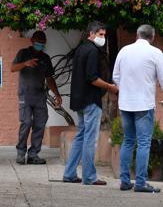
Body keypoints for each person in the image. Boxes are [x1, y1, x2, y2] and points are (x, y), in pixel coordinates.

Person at [112, 24, 163, 192]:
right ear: (153, 37)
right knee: (143, 143)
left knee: (127, 141)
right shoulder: (155, 53)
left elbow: (115, 76)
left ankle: (125, 181)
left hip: (126, 104)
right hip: (143, 104)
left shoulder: (124, 51)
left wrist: (126, 90)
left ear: (137, 35)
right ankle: (141, 183)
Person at [63, 21, 118, 185]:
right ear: (91, 34)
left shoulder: (80, 49)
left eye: (104, 35)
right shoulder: (93, 51)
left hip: (78, 100)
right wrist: (111, 87)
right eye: (101, 34)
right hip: (91, 100)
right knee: (90, 139)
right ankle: (89, 177)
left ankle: (69, 173)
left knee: (80, 136)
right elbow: (93, 78)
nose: (103, 38)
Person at [11, 31, 62, 165]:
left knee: (40, 123)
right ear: (32, 41)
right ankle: (21, 153)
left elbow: (49, 78)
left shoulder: (45, 58)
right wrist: (25, 64)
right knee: (26, 122)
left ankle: (33, 154)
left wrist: (57, 94)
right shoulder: (23, 53)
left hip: (39, 95)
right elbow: (13, 68)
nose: (40, 45)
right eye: (38, 43)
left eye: (42, 43)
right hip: (25, 94)